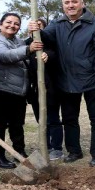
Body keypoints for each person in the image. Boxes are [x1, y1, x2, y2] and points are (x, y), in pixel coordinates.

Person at [27, 0, 95, 166]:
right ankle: (74, 151)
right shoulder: (58, 23)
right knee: (69, 119)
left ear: (82, 3)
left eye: (74, 2)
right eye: (67, 3)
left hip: (93, 78)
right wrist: (35, 31)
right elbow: (46, 38)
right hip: (66, 80)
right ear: (63, 5)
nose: (71, 5)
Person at [0, 13, 43, 168]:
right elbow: (2, 55)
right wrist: (28, 49)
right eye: (9, 22)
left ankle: (19, 152)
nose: (12, 26)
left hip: (17, 91)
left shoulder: (17, 41)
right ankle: (0, 156)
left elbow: (27, 55)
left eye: (16, 24)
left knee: (17, 124)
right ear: (1, 24)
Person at [26, 18, 64, 161]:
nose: (36, 30)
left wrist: (48, 55)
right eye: (33, 27)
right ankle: (45, 146)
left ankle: (57, 148)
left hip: (50, 91)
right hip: (34, 91)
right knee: (41, 120)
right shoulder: (26, 45)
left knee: (53, 119)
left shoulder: (51, 47)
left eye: (39, 27)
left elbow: (55, 56)